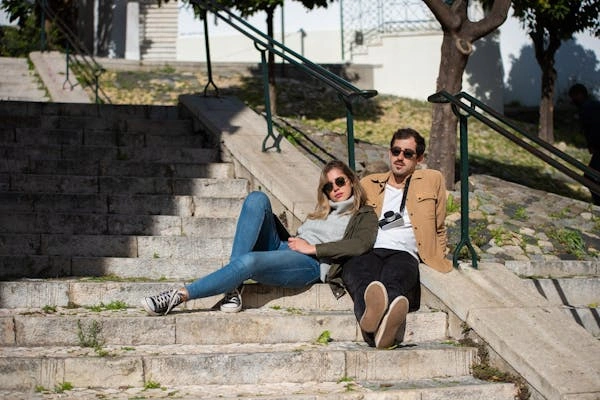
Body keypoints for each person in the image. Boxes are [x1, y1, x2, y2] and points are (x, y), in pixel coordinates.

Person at [142, 160, 378, 316]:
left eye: (340, 181)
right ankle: (234, 288)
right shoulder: (323, 211)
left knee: (250, 262)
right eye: (328, 186)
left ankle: (179, 296)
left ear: (352, 181)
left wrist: (314, 249)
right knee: (257, 198)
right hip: (287, 247)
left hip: (310, 264)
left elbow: (361, 244)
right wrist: (298, 242)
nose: (335, 188)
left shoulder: (364, 213)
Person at [342, 128, 452, 349]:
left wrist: (440, 256)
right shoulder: (369, 183)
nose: (400, 157)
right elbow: (349, 220)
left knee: (396, 280)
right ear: (389, 152)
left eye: (408, 153)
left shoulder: (431, 180)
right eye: (396, 151)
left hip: (404, 253)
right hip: (369, 248)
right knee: (361, 277)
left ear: (419, 158)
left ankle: (382, 324)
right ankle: (374, 321)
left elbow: (439, 226)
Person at [568, 83, 600, 206]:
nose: (572, 100)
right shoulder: (594, 105)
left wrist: (593, 145)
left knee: (590, 177)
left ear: (580, 95)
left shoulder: (587, 108)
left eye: (573, 96)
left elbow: (594, 129)